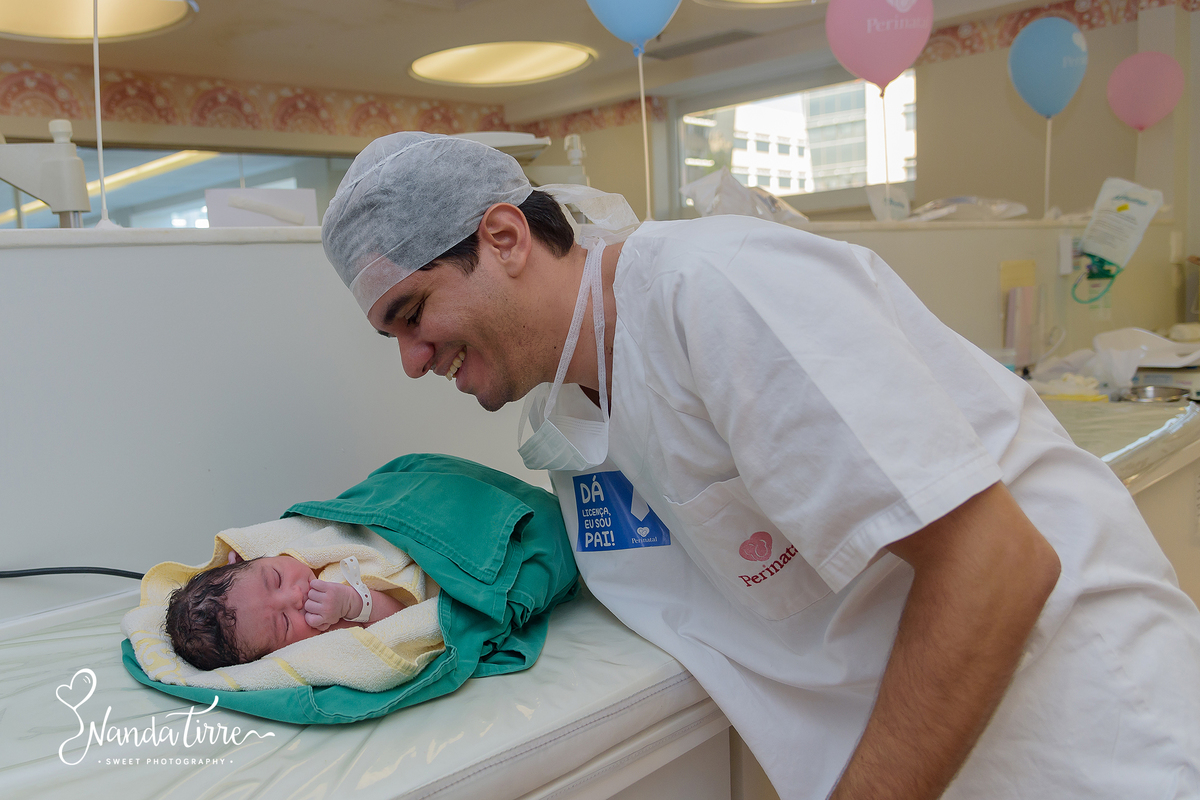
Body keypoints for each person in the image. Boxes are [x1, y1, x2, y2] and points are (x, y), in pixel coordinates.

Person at [320, 132, 1200, 799]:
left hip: (1089, 735)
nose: (410, 358)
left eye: (412, 312)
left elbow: (997, 565)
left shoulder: (719, 292)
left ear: (506, 236)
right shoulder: (573, 417)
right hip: (946, 757)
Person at [166, 551, 408, 670]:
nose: (295, 597)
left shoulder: (280, 552)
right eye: (284, 622)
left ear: (241, 560)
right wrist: (352, 604)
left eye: (276, 578)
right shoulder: (329, 634)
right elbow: (404, 619)